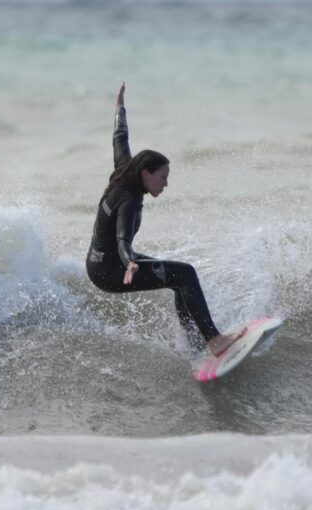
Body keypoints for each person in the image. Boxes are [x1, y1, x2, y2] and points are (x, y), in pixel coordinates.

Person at [86, 83, 244, 356]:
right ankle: (213, 340)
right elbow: (122, 237)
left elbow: (119, 137)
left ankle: (196, 343)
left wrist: (120, 107)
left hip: (100, 263)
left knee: (178, 279)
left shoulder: (126, 170)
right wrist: (129, 262)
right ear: (146, 174)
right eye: (163, 177)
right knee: (186, 273)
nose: (166, 184)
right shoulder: (130, 199)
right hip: (112, 270)